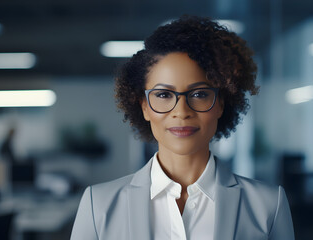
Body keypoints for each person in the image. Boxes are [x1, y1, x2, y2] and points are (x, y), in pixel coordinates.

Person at [71, 15, 294, 240]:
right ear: (144, 107)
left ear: (220, 104)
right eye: (164, 95)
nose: (182, 111)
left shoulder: (268, 205)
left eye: (198, 94)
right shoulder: (97, 205)